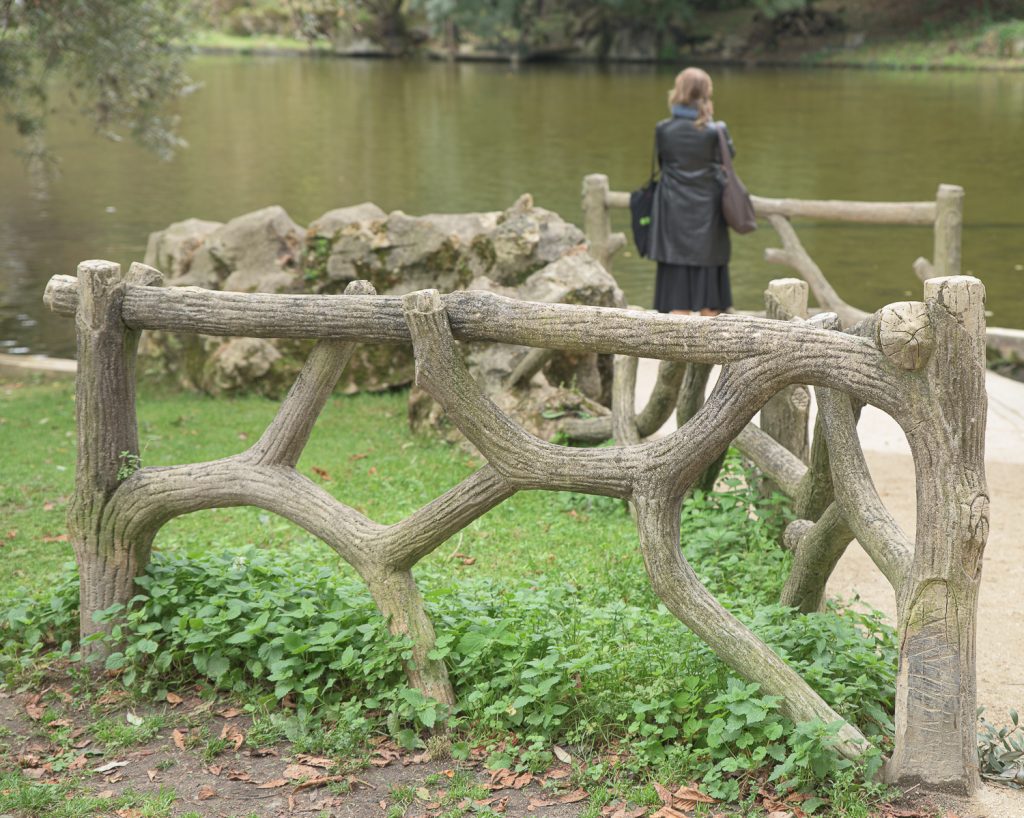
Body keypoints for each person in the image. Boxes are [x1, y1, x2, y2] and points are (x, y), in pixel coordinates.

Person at [648, 67, 735, 316]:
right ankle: (709, 354)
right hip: (708, 218)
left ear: (679, 92)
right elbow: (729, 159)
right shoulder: (715, 130)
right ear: (706, 94)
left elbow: (664, 164)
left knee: (677, 298)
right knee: (711, 300)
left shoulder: (663, 129)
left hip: (673, 217)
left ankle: (675, 354)